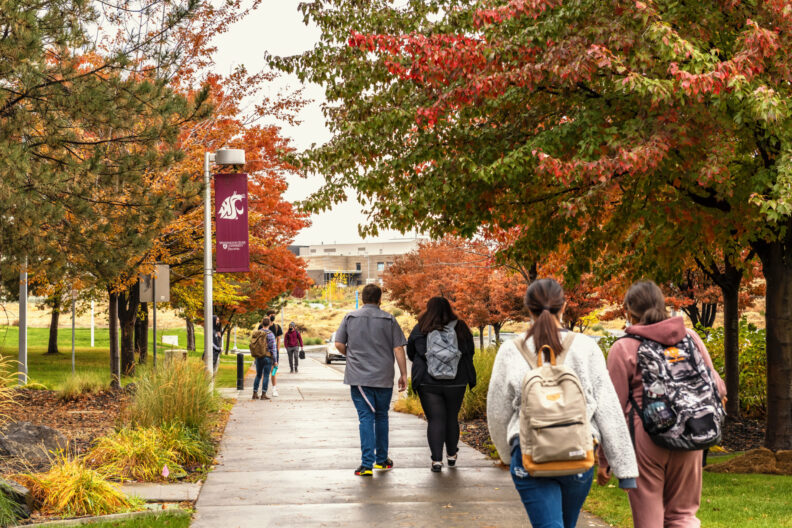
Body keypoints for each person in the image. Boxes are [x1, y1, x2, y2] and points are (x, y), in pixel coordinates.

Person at [487, 278, 638, 528]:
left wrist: (506, 453)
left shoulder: (511, 350)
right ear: (564, 306)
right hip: (577, 452)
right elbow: (607, 406)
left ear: (528, 309)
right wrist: (625, 470)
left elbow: (497, 411)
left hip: (528, 454)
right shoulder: (586, 347)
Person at [600, 280, 726, 528]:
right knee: (683, 516)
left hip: (646, 439)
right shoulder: (690, 338)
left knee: (650, 520)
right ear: (662, 304)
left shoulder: (623, 347)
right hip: (692, 432)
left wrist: (606, 459)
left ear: (629, 311)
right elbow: (718, 388)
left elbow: (612, 410)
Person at [334, 283, 408, 477]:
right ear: (379, 299)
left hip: (359, 377)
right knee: (382, 416)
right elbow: (398, 348)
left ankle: (367, 465)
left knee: (366, 417)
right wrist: (403, 374)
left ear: (363, 299)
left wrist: (351, 355)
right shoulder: (389, 320)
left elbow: (339, 343)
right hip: (384, 376)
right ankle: (382, 460)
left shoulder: (350, 318)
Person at [407, 297, 476, 472]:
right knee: (452, 417)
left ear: (428, 309)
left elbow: (411, 352)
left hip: (428, 382)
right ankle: (452, 456)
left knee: (435, 419)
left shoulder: (421, 328)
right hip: (457, 381)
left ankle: (436, 460)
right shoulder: (460, 327)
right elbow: (470, 351)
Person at [252, 318, 277, 400]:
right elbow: (273, 349)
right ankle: (263, 394)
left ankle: (254, 393)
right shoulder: (270, 334)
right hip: (267, 357)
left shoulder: (257, 333)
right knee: (266, 375)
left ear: (262, 324)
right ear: (269, 324)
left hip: (258, 356)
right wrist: (275, 361)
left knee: (258, 375)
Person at [258, 315, 280, 397]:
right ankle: (270, 390)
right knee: (270, 373)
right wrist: (275, 360)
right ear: (269, 322)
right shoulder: (270, 333)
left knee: (268, 373)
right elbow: (274, 346)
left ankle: (267, 390)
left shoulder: (276, 327)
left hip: (262, 355)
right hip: (270, 356)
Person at [268, 311, 284, 396]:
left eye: (274, 315)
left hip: (274, 354)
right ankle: (264, 389)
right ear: (268, 316)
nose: (273, 316)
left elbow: (279, 340)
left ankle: (274, 388)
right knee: (265, 371)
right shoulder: (262, 326)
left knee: (273, 371)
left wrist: (277, 351)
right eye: (271, 315)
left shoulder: (277, 327)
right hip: (264, 353)